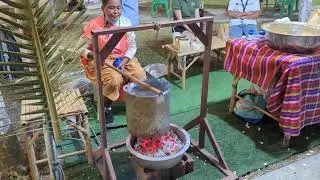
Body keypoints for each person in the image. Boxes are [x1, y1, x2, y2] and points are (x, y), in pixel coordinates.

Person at [80, 0, 146, 124]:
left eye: (118, 8)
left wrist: (124, 61)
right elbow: (80, 48)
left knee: (139, 75)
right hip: (102, 59)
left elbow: (132, 47)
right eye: (111, 8)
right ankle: (105, 107)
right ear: (102, 8)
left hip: (124, 57)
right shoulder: (93, 25)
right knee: (114, 80)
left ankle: (133, 102)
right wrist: (91, 54)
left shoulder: (126, 23)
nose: (115, 12)